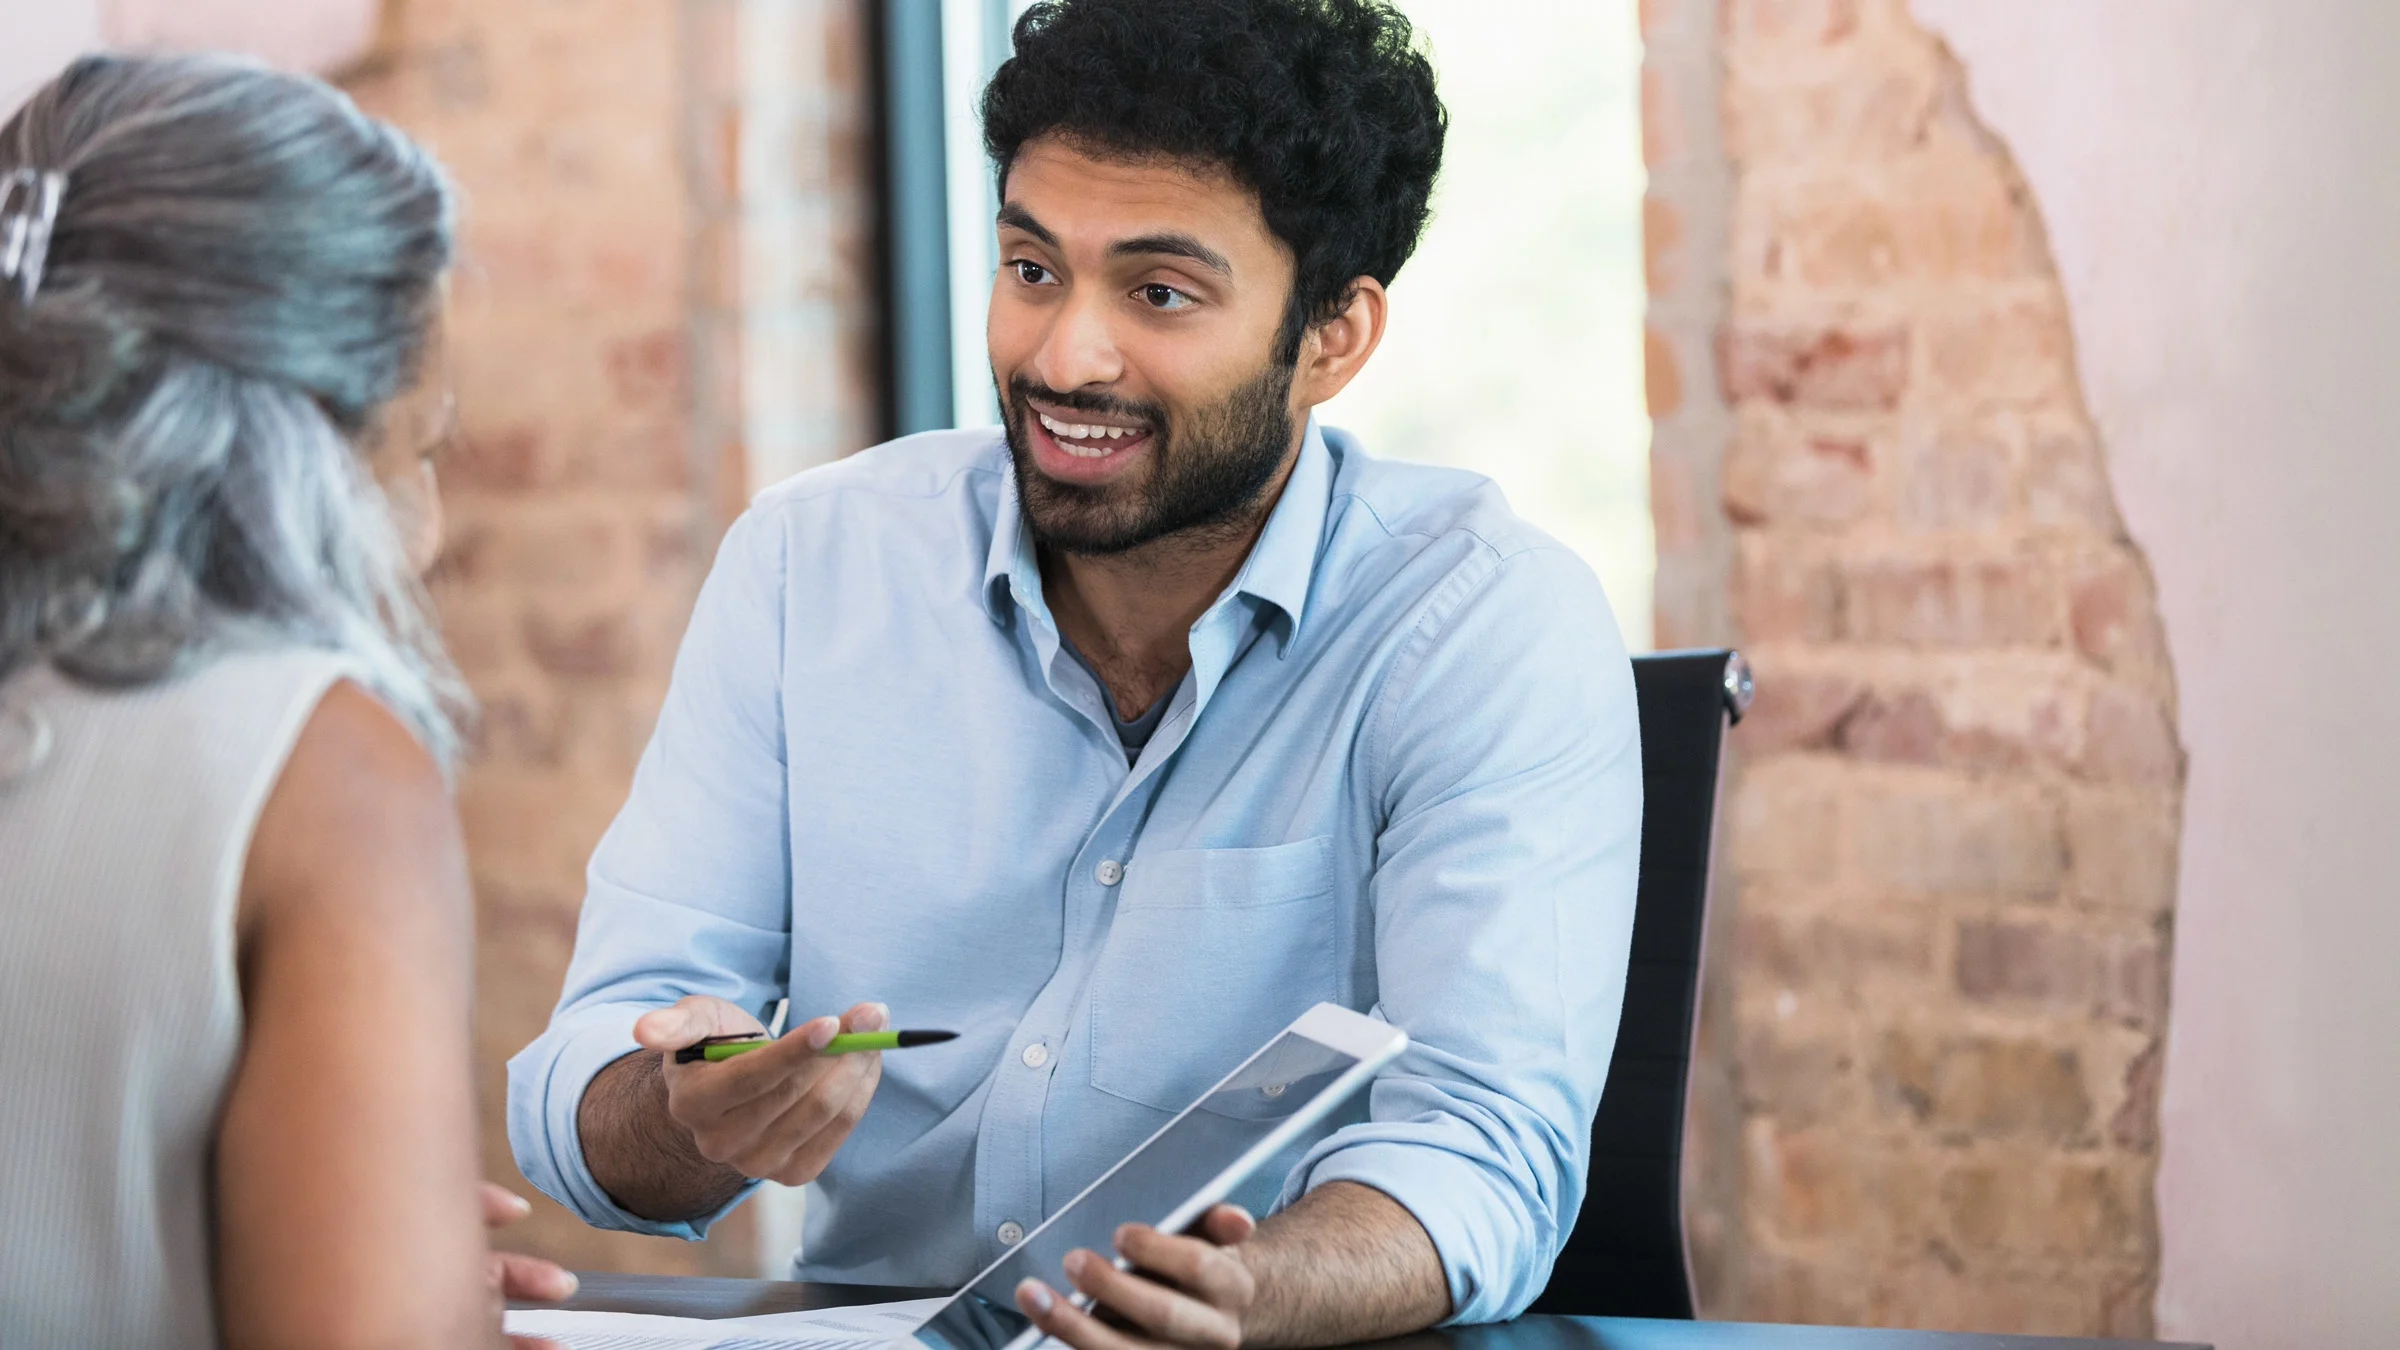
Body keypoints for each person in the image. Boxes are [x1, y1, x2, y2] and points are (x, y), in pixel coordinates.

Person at [508, 1, 1643, 1345]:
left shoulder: (1478, 624)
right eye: (1032, 268)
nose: (1062, 357)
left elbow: (1483, 1141)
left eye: (1159, 294)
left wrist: (1239, 1294)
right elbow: (594, 1079)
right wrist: (687, 1107)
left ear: (1333, 335)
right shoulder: (812, 565)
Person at [0, 53, 569, 1350]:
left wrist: (349, 1237)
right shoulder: (320, 774)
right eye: (417, 449)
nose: (427, 533)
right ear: (296, 450)